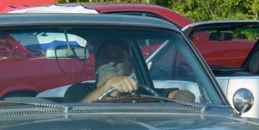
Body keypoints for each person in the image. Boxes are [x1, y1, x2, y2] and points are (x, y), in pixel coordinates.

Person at [63, 39, 195, 103]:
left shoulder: (143, 93)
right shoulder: (79, 91)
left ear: (130, 67)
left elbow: (185, 95)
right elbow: (75, 112)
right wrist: (109, 85)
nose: (112, 62)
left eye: (119, 57)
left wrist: (181, 100)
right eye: (106, 57)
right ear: (96, 66)